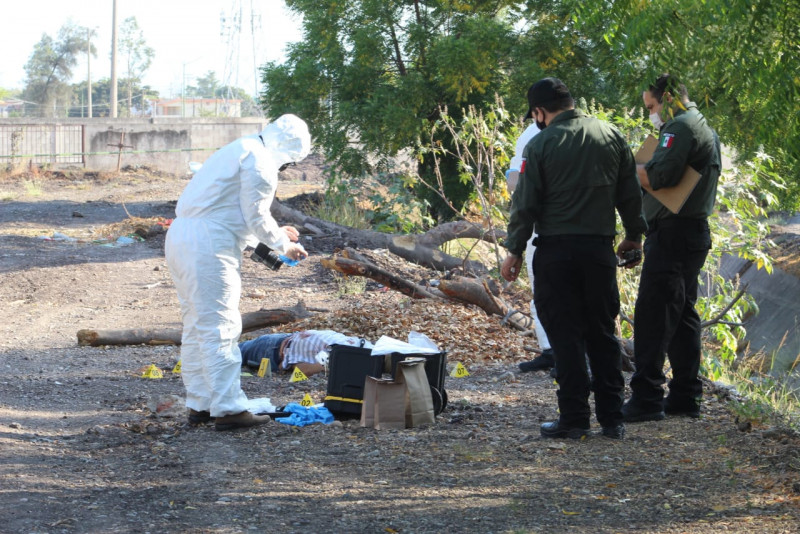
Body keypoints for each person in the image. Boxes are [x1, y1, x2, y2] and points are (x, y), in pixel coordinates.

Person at [501, 78, 646, 440]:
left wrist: (514, 250)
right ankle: (613, 419)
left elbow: (526, 204)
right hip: (599, 251)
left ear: (539, 112)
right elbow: (630, 192)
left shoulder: (540, 143)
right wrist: (633, 235)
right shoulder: (611, 135)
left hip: (556, 253)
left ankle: (575, 419)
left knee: (565, 336)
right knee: (602, 332)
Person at [165, 114, 312, 431]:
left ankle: (201, 403)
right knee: (221, 324)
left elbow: (233, 216)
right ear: (287, 148)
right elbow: (256, 215)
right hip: (207, 244)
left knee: (197, 324)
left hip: (183, 237)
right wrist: (283, 245)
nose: (285, 166)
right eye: (289, 160)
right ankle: (229, 408)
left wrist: (274, 236)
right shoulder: (261, 162)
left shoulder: (240, 149)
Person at [622, 74, 721, 422]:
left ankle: (647, 398)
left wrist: (626, 167)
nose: (650, 114)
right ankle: (684, 396)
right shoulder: (703, 125)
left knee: (653, 313)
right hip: (691, 232)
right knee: (682, 316)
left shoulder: (680, 127)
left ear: (667, 98)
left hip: (674, 234)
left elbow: (658, 177)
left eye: (651, 106)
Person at [506, 123, 557, 374]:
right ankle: (551, 351)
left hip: (544, 228)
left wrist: (513, 247)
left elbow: (517, 184)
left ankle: (559, 354)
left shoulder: (533, 136)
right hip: (575, 230)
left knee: (548, 293)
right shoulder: (588, 132)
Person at [239, 330, 373, 377]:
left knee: (233, 351)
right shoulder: (343, 352)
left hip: (284, 343)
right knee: (229, 353)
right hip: (275, 348)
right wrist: (331, 367)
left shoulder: (360, 345)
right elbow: (300, 369)